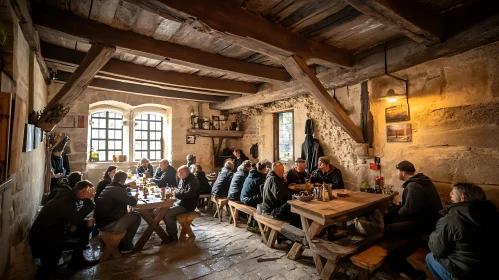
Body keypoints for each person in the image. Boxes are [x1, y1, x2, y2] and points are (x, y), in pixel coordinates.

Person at [426, 183, 499, 280]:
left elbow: (437, 250)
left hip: (466, 273)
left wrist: (434, 234)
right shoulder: (492, 213)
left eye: (452, 193)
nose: (450, 195)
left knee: (430, 257)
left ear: (462, 197)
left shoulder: (452, 218)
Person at [30, 180, 97, 279]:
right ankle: (75, 262)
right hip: (45, 240)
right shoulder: (66, 200)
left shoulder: (68, 197)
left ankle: (78, 261)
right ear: (78, 191)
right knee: (47, 272)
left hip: (51, 233)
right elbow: (76, 219)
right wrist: (88, 201)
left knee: (85, 226)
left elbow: (73, 217)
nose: (89, 194)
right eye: (86, 191)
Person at [384, 161, 442, 237]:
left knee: (387, 228)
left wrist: (398, 213)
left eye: (397, 171)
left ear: (403, 173)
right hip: (431, 220)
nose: (396, 173)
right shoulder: (423, 181)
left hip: (424, 224)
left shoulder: (413, 185)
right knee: (392, 215)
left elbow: (410, 209)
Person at [94, 171, 141, 253]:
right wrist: (135, 197)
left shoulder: (110, 187)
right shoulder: (117, 190)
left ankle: (122, 242)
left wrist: (127, 187)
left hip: (101, 223)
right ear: (122, 181)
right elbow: (133, 202)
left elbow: (123, 193)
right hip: (109, 225)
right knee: (136, 216)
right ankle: (125, 246)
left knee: (131, 213)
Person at [163, 165, 200, 242]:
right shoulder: (183, 179)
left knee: (168, 214)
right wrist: (177, 193)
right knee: (163, 211)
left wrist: (177, 194)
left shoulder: (193, 181)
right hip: (181, 202)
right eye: (178, 173)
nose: (179, 175)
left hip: (188, 205)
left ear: (187, 172)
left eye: (181, 173)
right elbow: (179, 189)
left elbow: (189, 194)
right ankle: (172, 231)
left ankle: (173, 236)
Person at [260, 162, 300, 228]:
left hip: (275, 207)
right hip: (271, 210)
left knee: (296, 210)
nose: (283, 172)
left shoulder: (276, 179)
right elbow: (279, 195)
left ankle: (294, 230)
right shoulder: (273, 179)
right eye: (282, 170)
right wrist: (292, 193)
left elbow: (282, 192)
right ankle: (290, 232)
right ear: (277, 171)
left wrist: (283, 181)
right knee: (293, 206)